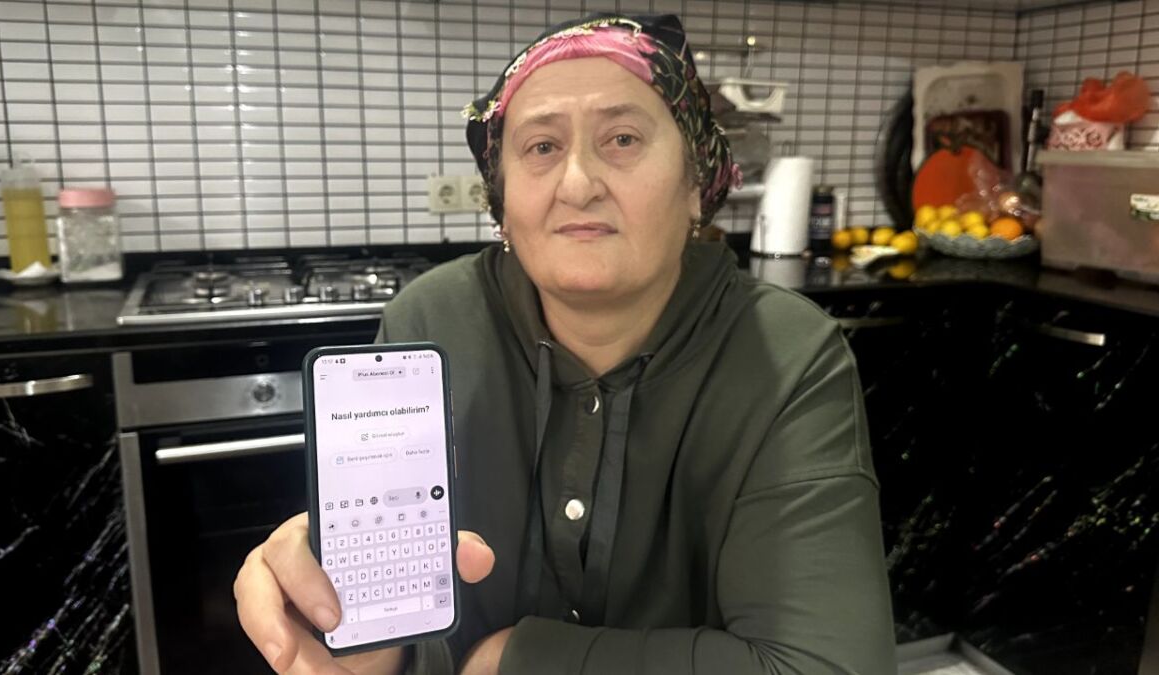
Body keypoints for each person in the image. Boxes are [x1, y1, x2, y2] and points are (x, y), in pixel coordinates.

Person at [234, 13, 895, 675]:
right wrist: (369, 641)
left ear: (696, 182)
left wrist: (511, 658)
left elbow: (826, 665)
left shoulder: (786, 352)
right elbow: (408, 623)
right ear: (502, 202)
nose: (577, 184)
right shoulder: (431, 321)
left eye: (623, 138)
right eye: (542, 147)